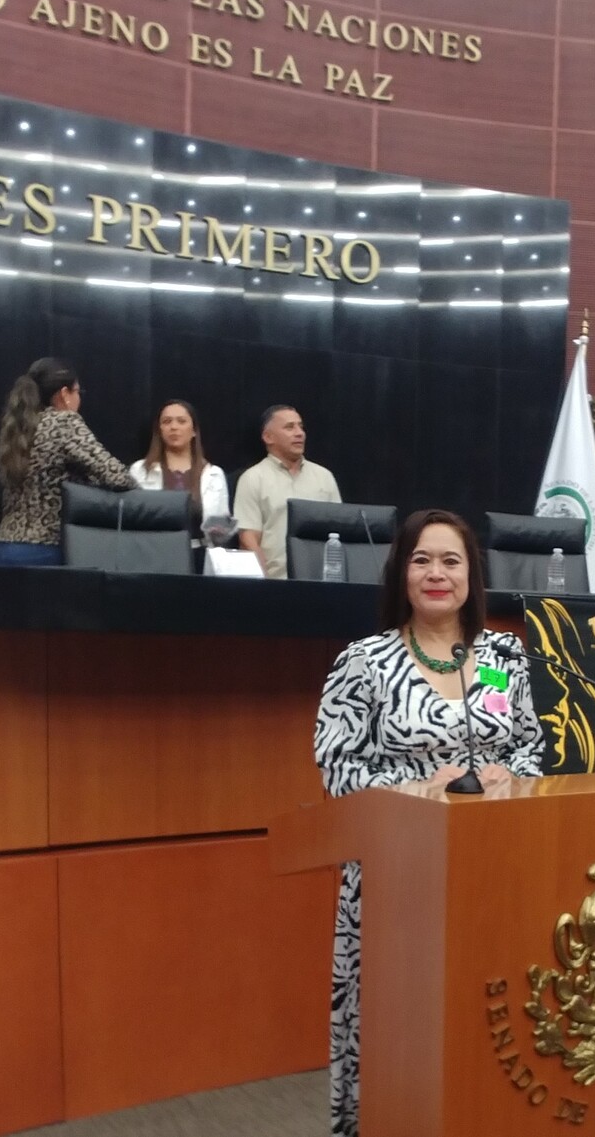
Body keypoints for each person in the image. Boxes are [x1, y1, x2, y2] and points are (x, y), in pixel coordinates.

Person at [314, 508, 543, 1137]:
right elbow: (337, 768)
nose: (436, 573)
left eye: (450, 561)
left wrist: (509, 775)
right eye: (422, 560)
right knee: (405, 1030)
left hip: (491, 869)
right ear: (401, 573)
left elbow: (529, 741)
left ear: (472, 575)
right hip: (400, 879)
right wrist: (417, 789)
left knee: (492, 1024)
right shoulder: (365, 661)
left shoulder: (500, 655)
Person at [0, 357, 134, 566]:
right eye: (78, 392)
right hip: (43, 552)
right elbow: (118, 477)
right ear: (65, 394)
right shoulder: (63, 422)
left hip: (0, 549)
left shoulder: (19, 427)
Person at [233, 404, 340, 578]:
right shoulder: (253, 478)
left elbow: (339, 533)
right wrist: (265, 583)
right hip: (276, 582)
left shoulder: (324, 477)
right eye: (289, 427)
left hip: (321, 583)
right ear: (268, 437)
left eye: (301, 426)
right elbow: (248, 539)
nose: (299, 433)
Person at [129, 400, 229, 525]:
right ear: (159, 430)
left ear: (194, 431)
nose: (174, 427)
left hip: (199, 544)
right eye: (167, 421)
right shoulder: (140, 470)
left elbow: (222, 526)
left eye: (181, 421)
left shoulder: (214, 474)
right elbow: (132, 518)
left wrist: (221, 531)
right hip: (154, 543)